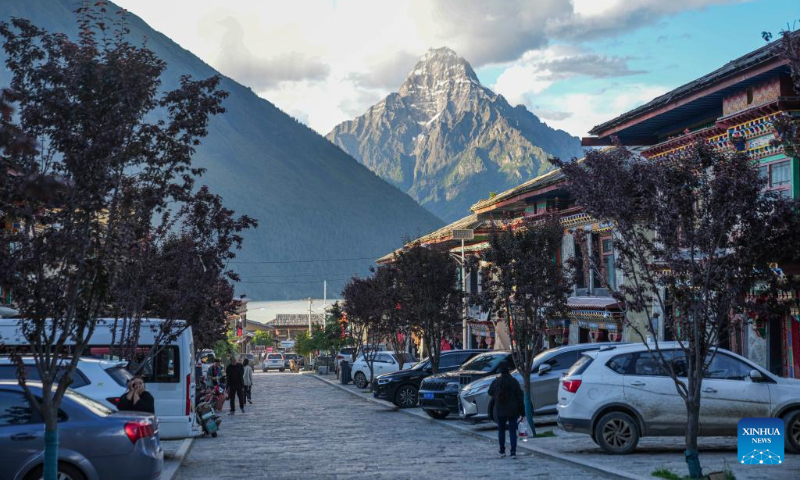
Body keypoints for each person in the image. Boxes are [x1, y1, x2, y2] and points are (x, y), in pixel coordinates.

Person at [488, 362, 524, 458]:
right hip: (513, 409)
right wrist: (522, 412)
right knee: (512, 431)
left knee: (501, 430)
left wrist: (497, 395)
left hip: (500, 409)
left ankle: (502, 450)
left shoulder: (496, 382)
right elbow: (520, 397)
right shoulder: (514, 381)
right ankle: (513, 452)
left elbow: (490, 392)